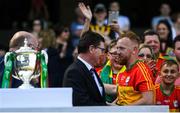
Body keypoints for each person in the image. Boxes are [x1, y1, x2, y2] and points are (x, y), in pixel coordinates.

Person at [63, 31, 106, 106]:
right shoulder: (74, 72)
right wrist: (106, 108)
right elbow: (81, 103)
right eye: (102, 50)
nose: (103, 54)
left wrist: (108, 105)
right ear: (92, 49)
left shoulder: (91, 70)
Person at [115, 31, 154, 105]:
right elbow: (122, 99)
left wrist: (124, 111)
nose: (117, 52)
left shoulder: (141, 70)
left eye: (121, 48)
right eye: (117, 48)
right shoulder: (122, 71)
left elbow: (148, 100)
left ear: (134, 50)